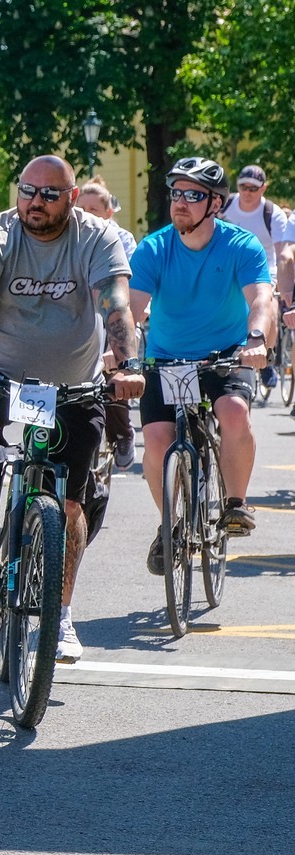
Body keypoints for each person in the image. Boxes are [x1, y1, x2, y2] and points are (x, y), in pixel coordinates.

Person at [0, 156, 143, 662]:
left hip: (74, 382)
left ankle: (62, 614)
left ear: (71, 198)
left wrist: (128, 364)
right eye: (28, 191)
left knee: (71, 506)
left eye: (50, 195)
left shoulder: (96, 236)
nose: (36, 202)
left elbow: (115, 302)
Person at [129, 157, 273, 569]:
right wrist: (115, 350)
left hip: (226, 354)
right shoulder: (154, 248)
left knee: (233, 411)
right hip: (166, 358)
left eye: (193, 195)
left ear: (216, 204)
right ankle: (170, 524)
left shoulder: (240, 245)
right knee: (157, 440)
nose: (180, 202)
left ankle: (235, 503)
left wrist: (257, 339)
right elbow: (130, 309)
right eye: (176, 193)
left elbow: (261, 299)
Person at [77, 177, 140, 468]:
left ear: (108, 212)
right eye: (82, 208)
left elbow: (127, 291)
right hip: (78, 318)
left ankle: (122, 434)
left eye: (94, 209)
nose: (87, 214)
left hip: (111, 315)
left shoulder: (121, 239)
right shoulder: (70, 236)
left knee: (113, 373)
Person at [218, 165, 287, 392]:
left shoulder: (272, 213)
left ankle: (266, 357)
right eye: (243, 186)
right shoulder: (225, 205)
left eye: (253, 188)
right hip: (229, 267)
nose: (247, 192)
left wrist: (282, 282)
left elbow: (281, 253)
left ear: (263, 188)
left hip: (264, 269)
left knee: (270, 306)